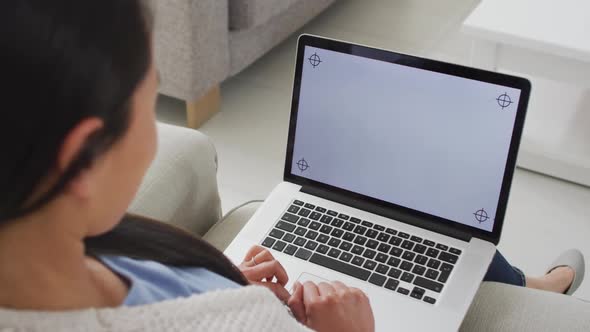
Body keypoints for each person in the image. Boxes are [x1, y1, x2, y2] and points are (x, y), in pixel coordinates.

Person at [0, 1, 583, 331]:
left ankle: (532, 282)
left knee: (442, 227)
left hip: (250, 283)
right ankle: (543, 289)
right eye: (148, 108)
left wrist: (222, 285)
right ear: (79, 157)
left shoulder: (69, 253)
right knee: (448, 223)